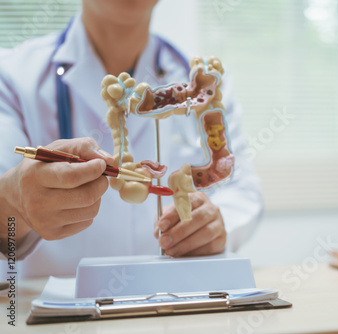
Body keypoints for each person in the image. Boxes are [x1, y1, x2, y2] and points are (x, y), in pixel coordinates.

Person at [0, 0, 263, 278]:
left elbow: (242, 191)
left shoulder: (204, 83)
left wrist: (216, 224)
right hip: (54, 311)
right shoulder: (12, 77)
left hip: (176, 305)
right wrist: (12, 202)